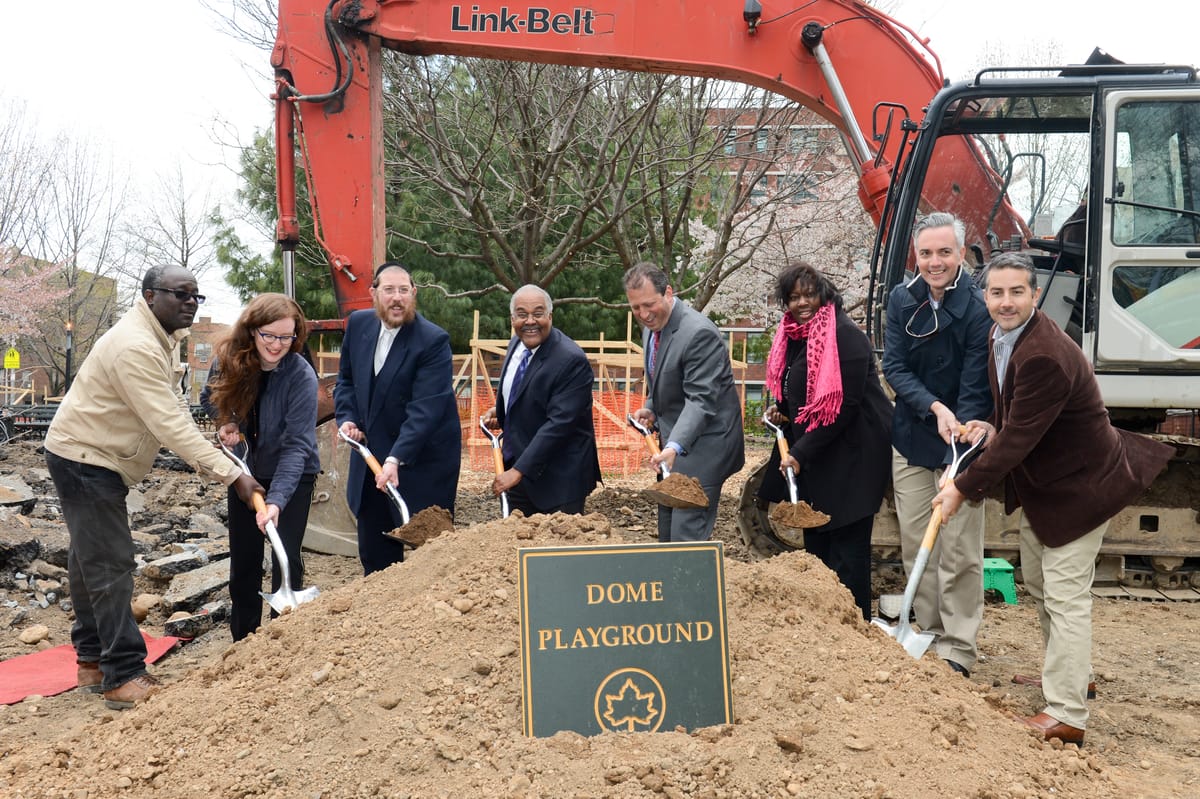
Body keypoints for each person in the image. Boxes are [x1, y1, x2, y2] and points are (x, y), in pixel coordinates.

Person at [933, 252, 1174, 745]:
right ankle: (1069, 676)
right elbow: (1021, 422)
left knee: (1065, 597)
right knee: (1041, 584)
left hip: (1081, 489)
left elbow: (1021, 440)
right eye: (996, 293)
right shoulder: (1001, 336)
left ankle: (1067, 714)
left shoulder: (1043, 351)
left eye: (1016, 292)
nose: (1006, 302)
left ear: (1035, 294)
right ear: (985, 296)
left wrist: (961, 486)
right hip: (1048, 485)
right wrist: (992, 426)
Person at [43, 265, 263, 710]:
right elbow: (170, 424)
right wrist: (232, 474)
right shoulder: (136, 347)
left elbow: (173, 410)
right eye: (179, 294)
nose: (189, 303)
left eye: (195, 296)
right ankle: (122, 674)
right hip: (87, 457)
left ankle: (90, 660)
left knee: (89, 559)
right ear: (148, 296)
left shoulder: (162, 339)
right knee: (110, 561)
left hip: (92, 453)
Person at [882, 212, 993, 677]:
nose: (934, 262)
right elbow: (895, 366)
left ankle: (959, 646)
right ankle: (925, 630)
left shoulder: (979, 305)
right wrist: (933, 407)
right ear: (916, 255)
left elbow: (976, 379)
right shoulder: (901, 300)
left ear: (961, 254)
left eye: (944, 252)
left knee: (959, 549)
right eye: (926, 253)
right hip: (912, 435)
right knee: (917, 542)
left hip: (963, 440)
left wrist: (960, 433)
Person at [757, 262, 893, 619]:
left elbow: (842, 408)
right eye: (794, 297)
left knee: (846, 553)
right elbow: (800, 391)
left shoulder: (844, 336)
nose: (802, 303)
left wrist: (800, 452)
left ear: (825, 293)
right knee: (817, 547)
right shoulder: (795, 336)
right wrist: (784, 412)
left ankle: (855, 627)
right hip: (821, 455)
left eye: (809, 294)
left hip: (853, 457)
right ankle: (825, 629)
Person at [201, 294, 320, 642]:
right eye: (268, 335)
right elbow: (210, 399)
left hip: (294, 476)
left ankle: (281, 641)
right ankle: (244, 641)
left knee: (288, 559)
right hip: (245, 474)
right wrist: (226, 422)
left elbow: (297, 446)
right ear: (252, 331)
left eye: (286, 337)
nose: (277, 345)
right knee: (245, 564)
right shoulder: (228, 360)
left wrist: (277, 500)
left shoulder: (300, 375)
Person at [335, 261, 461, 575]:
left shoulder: (432, 341)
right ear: (373, 293)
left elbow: (426, 410)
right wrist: (349, 418)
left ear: (413, 294)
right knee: (375, 557)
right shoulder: (359, 325)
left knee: (428, 560)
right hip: (371, 465)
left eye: (404, 290)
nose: (397, 298)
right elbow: (346, 381)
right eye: (389, 290)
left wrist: (395, 458)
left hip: (421, 464)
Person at [623, 262, 745, 542]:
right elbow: (667, 379)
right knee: (667, 527)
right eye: (635, 308)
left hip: (707, 444)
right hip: (674, 445)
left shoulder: (698, 333)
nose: (643, 314)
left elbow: (700, 400)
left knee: (686, 533)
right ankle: (670, 583)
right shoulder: (651, 328)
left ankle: (690, 584)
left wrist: (674, 446)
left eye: (648, 305)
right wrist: (651, 407)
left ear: (668, 292)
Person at [481, 285, 601, 515]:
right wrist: (503, 412)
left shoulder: (570, 360)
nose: (530, 321)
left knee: (555, 548)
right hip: (519, 470)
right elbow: (524, 392)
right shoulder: (516, 343)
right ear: (512, 318)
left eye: (538, 313)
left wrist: (517, 471)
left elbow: (559, 424)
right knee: (518, 544)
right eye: (522, 314)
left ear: (549, 316)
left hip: (559, 482)